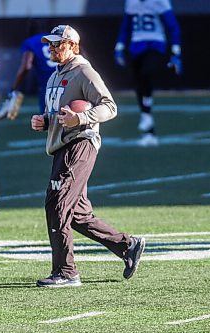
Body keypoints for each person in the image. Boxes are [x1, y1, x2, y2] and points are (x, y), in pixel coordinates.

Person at [31, 25, 146, 288]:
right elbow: (62, 116)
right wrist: (46, 121)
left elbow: (109, 106)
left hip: (80, 144)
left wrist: (80, 118)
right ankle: (128, 246)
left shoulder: (84, 72)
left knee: (57, 204)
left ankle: (66, 271)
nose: (52, 48)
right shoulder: (53, 77)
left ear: (73, 45)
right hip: (62, 146)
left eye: (58, 44)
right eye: (50, 44)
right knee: (77, 215)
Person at [114, 0, 182, 147]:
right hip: (136, 45)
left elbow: (173, 26)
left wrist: (176, 51)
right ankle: (149, 128)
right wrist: (119, 46)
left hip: (154, 43)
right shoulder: (132, 2)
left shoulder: (160, 1)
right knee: (138, 84)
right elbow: (126, 26)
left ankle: (146, 115)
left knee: (147, 73)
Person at [0, 20, 57, 119]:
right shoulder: (54, 39)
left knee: (49, 122)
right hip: (65, 79)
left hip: (48, 85)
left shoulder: (30, 42)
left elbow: (26, 66)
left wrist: (15, 87)